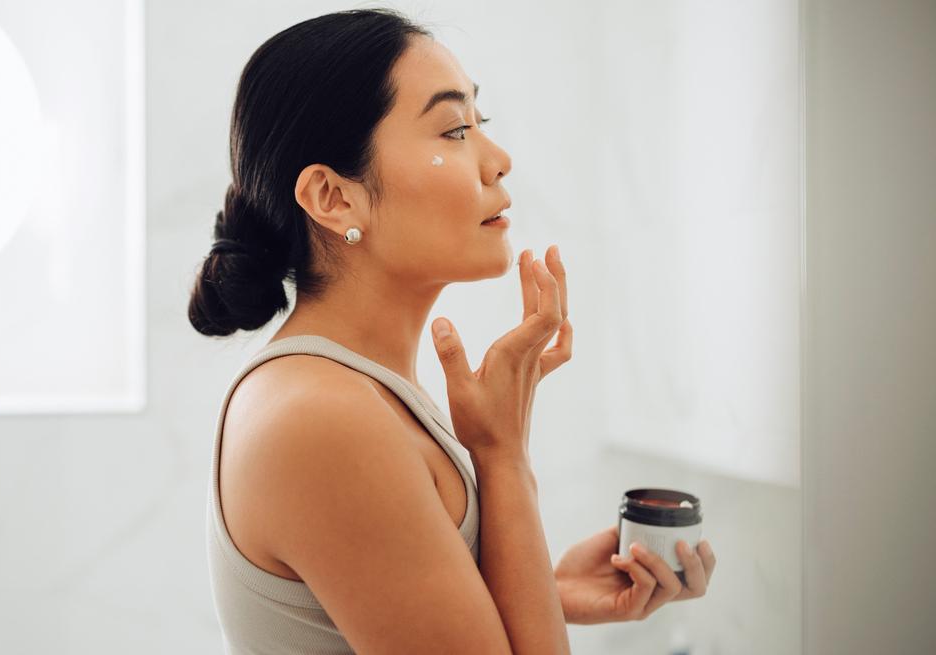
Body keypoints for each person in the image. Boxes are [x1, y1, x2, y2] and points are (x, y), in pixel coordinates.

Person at [190, 8, 716, 653]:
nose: (498, 160)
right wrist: (503, 458)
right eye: (454, 129)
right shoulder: (324, 418)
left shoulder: (350, 390)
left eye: (479, 122)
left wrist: (544, 592)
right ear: (333, 197)